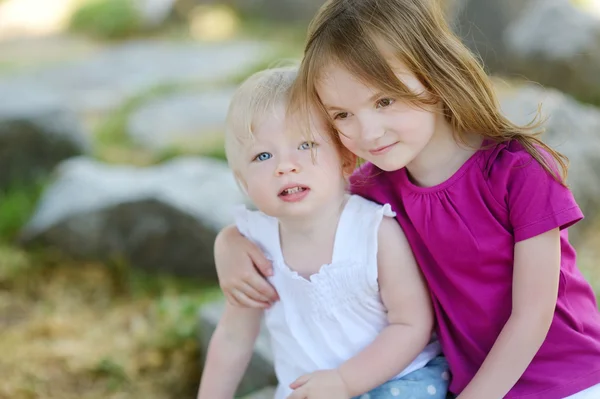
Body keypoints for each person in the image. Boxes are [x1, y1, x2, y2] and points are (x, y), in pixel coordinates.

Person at [212, 1, 600, 398]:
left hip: (568, 376)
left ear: (434, 73)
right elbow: (298, 213)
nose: (368, 132)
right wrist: (229, 244)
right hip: (465, 381)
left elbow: (533, 314)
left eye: (384, 101)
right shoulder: (377, 187)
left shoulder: (518, 171)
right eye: (342, 115)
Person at [197, 66, 449, 399]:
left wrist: (345, 381)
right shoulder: (255, 246)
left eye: (306, 145)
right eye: (263, 155)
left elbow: (412, 325)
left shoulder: (373, 231)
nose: (285, 166)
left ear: (346, 160)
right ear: (242, 181)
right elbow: (233, 337)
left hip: (397, 382)